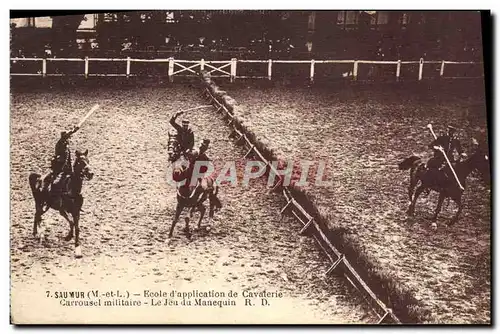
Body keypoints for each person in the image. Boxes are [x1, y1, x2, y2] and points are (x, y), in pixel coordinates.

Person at [43, 125, 80, 194]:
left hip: (67, 166)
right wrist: (74, 130)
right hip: (59, 166)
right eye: (67, 137)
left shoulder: (65, 143)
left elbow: (68, 157)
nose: (68, 138)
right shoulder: (60, 143)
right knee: (57, 181)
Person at [187, 139, 222, 210]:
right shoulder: (194, 151)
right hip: (190, 171)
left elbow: (203, 170)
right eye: (201, 145)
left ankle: (196, 202)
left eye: (204, 146)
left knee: (201, 188)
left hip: (197, 175)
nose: (201, 147)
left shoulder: (205, 158)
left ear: (206, 148)